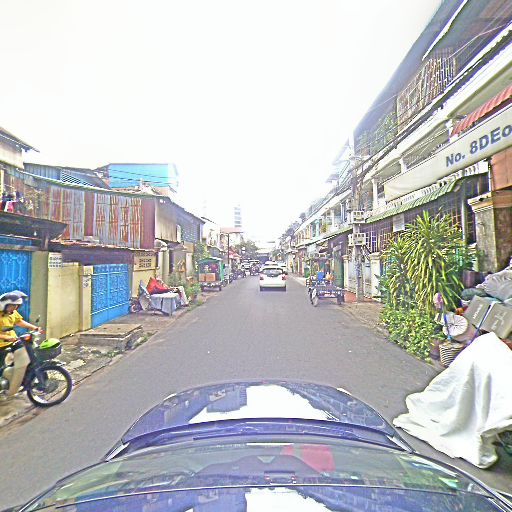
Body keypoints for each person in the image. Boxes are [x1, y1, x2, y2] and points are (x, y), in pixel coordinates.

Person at [0, 291, 41, 397]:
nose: (15, 308)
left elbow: (19, 321)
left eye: (16, 306)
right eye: (13, 306)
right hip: (1, 345)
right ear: (4, 305)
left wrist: (34, 328)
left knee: (26, 354)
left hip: (13, 341)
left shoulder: (12, 313)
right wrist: (6, 337)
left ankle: (19, 378)